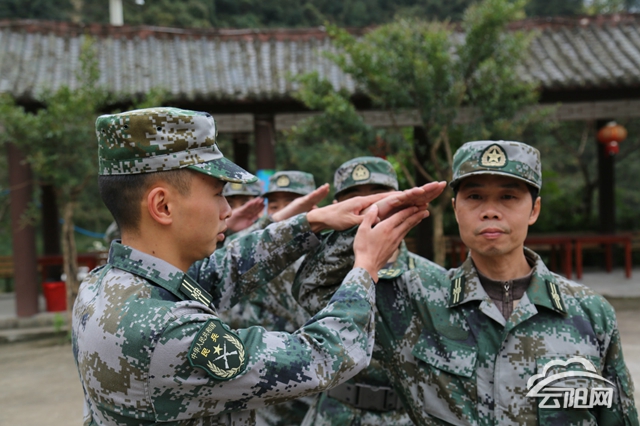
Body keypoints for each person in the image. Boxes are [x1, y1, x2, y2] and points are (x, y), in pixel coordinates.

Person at [71, 106, 439, 425]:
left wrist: (312, 222)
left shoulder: (103, 286)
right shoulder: (169, 334)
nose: (227, 210)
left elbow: (222, 271)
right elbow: (320, 357)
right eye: (218, 193)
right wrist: (365, 268)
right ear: (163, 206)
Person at [296, 140, 639, 425]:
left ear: (534, 210)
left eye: (508, 197)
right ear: (456, 208)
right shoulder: (414, 300)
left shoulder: (590, 312)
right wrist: (374, 216)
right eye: (474, 197)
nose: (490, 211)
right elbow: (314, 289)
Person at [294, 156, 444, 425]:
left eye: (379, 195)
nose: (372, 207)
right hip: (334, 414)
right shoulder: (323, 274)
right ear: (338, 207)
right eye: (356, 199)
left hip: (403, 416)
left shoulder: (433, 279)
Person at [221, 170, 327, 425]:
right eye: (275, 205)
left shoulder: (323, 259)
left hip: (298, 391)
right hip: (244, 387)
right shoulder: (255, 255)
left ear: (312, 207)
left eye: (292, 203)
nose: (283, 212)